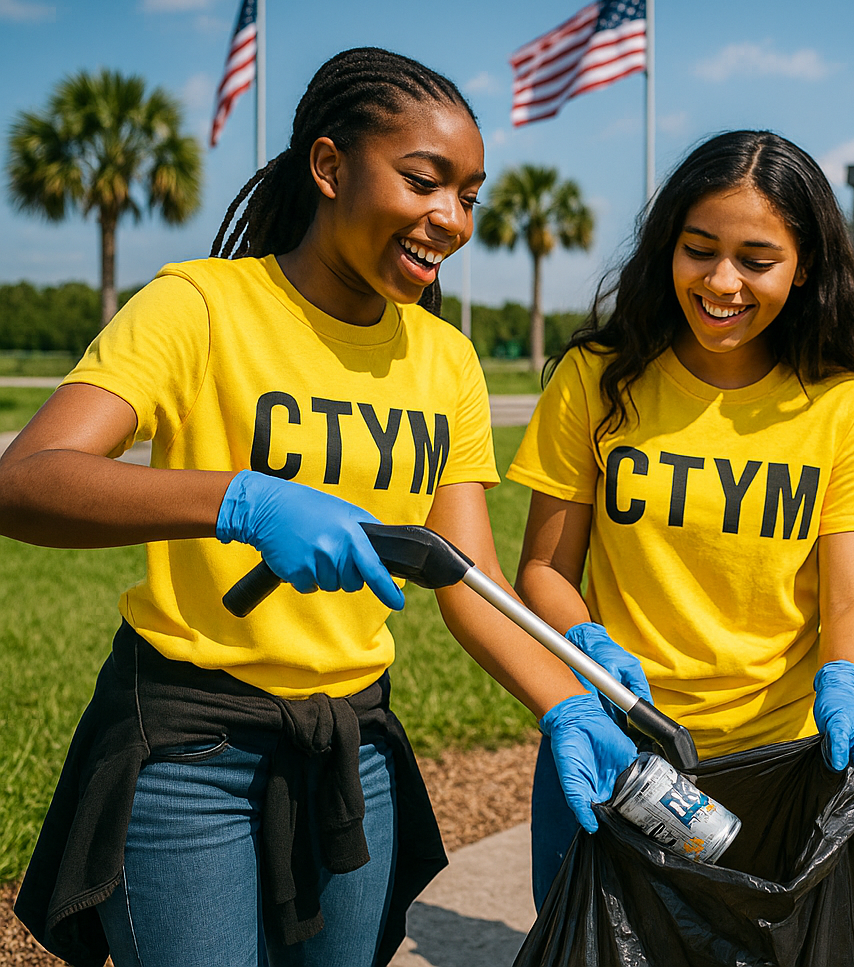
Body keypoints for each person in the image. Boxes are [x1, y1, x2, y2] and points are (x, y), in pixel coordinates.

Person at [1, 48, 635, 967]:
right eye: (426, 182)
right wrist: (241, 502)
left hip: (354, 749)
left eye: (469, 196)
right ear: (329, 166)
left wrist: (566, 703)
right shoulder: (200, 306)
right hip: (188, 748)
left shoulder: (443, 358)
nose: (450, 220)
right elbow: (27, 481)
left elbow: (468, 580)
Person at [507, 129, 854, 905]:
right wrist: (584, 643)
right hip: (612, 746)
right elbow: (544, 570)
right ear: (668, 247)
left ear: (805, 270)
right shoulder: (597, 379)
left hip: (776, 769)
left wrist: (845, 681)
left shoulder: (843, 406)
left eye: (757, 260)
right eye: (699, 249)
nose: (722, 280)